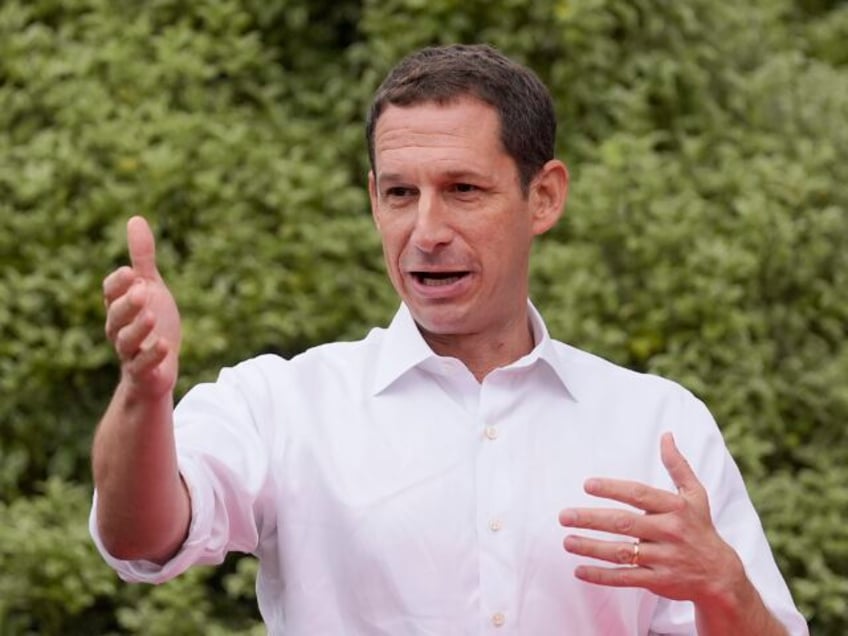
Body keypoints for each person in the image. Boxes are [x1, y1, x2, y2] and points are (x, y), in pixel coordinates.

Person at [90, 44, 808, 635]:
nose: (427, 233)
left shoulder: (658, 424)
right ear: (374, 199)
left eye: (463, 189)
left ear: (545, 196)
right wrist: (143, 396)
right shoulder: (284, 404)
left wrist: (724, 590)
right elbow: (140, 537)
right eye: (401, 194)